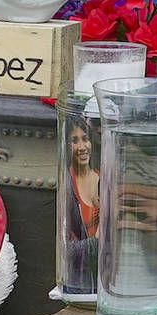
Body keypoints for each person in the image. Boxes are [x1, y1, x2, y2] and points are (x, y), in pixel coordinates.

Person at [61, 119, 100, 294]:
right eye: (74, 141)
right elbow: (66, 251)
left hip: (105, 277)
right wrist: (97, 240)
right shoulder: (66, 185)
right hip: (79, 284)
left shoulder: (103, 176)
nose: (82, 146)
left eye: (85, 139)